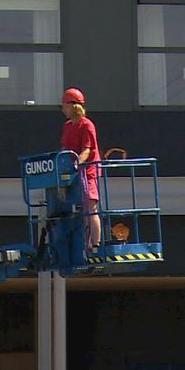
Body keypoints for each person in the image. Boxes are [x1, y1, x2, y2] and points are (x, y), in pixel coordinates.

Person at [60, 87, 101, 255]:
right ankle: (83, 242)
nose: (63, 109)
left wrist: (78, 163)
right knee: (77, 208)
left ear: (73, 106)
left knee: (90, 206)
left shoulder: (87, 125)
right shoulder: (68, 126)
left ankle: (96, 244)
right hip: (73, 171)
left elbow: (87, 149)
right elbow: (64, 147)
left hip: (88, 170)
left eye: (64, 106)